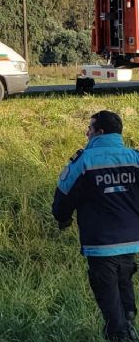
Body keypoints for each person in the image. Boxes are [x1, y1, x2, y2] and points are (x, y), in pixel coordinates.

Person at [52, 110, 139, 342]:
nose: (86, 132)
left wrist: (63, 219)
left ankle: (119, 333)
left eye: (89, 128)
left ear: (99, 132)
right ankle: (129, 318)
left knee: (107, 290)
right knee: (124, 278)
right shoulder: (135, 158)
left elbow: (63, 196)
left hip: (100, 242)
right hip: (131, 239)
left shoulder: (84, 161)